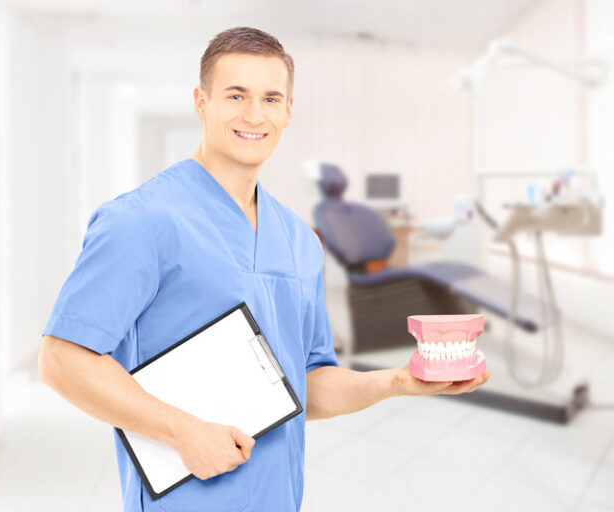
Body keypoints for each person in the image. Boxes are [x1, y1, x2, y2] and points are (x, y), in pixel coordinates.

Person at [39, 26, 490, 512]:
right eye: (236, 95)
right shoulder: (140, 221)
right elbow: (62, 358)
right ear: (201, 101)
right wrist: (183, 431)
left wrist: (395, 382)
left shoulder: (298, 240)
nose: (255, 115)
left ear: (288, 110)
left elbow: (308, 381)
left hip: (278, 495)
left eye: (271, 98)